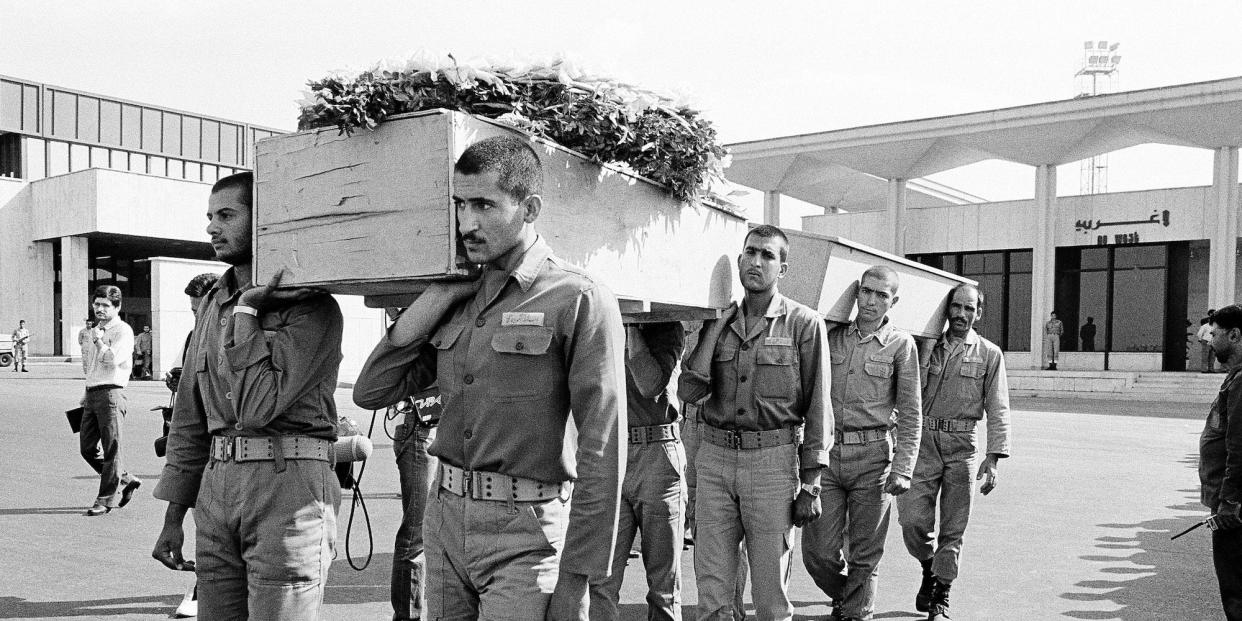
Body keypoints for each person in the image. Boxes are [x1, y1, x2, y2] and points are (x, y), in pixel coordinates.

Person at [352, 135, 626, 620]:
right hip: (445, 519)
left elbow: (603, 449)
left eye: (484, 204)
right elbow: (372, 390)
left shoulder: (578, 298)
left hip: (527, 533)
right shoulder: (460, 295)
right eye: (460, 204)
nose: (466, 223)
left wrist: (578, 578)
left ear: (529, 208)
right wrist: (434, 298)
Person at [151, 171, 346, 619]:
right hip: (217, 490)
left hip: (288, 488)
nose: (211, 227)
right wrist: (173, 518)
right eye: (209, 216)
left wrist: (248, 310)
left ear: (265, 222)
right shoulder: (212, 302)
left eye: (226, 215)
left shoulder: (312, 307)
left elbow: (257, 407)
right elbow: (189, 417)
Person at [678, 224, 832, 621]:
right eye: (750, 252)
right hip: (713, 461)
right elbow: (690, 391)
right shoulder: (718, 320)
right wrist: (715, 328)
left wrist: (811, 484)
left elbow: (818, 407)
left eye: (767, 255)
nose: (756, 262)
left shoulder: (804, 323)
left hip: (772, 465)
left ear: (782, 268)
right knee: (712, 588)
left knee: (769, 595)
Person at [802, 265, 921, 621]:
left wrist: (903, 467)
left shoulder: (902, 344)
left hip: (874, 460)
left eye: (881, 295)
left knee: (866, 553)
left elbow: (911, 413)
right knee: (818, 553)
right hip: (828, 455)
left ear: (893, 301)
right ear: (856, 293)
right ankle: (848, 594)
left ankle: (857, 612)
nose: (871, 301)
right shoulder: (831, 335)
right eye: (866, 292)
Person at [897, 284, 1011, 621]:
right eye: (956, 307)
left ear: (979, 313)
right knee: (912, 521)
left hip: (963, 447)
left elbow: (998, 406)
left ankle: (941, 595)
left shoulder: (990, 354)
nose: (961, 314)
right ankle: (929, 565)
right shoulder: (925, 347)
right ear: (947, 310)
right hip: (923, 443)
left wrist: (994, 457)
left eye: (969, 308)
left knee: (954, 527)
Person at [589, 321, 686, 621]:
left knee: (663, 587)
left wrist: (631, 327)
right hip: (611, 453)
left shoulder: (667, 328)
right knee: (600, 580)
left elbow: (649, 384)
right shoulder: (599, 325)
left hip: (658, 455)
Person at [80, 285, 141, 516]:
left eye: (105, 305)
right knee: (87, 448)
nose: (100, 309)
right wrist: (86, 391)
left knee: (112, 448)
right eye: (97, 304)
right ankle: (126, 478)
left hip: (111, 394)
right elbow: (94, 366)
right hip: (93, 393)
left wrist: (98, 341)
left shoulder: (122, 330)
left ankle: (105, 500)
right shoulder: (96, 330)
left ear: (117, 306)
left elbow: (112, 360)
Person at [1200, 304, 1242, 620]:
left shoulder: (1241, 382)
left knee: (1237, 592)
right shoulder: (1235, 379)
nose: (1210, 340)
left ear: (1234, 334)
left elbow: (1239, 448)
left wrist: (1229, 502)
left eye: (1215, 334)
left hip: (1235, 511)